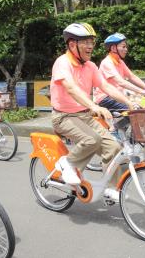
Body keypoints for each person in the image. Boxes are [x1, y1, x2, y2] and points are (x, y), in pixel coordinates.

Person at [50, 23, 135, 200]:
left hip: (84, 116)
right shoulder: (62, 63)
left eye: (92, 42)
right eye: (85, 42)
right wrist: (94, 106)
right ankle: (67, 163)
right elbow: (71, 88)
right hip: (63, 116)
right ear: (72, 45)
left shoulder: (90, 66)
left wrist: (128, 102)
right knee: (92, 140)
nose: (90, 46)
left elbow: (105, 86)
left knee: (113, 147)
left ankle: (111, 189)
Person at [93, 33, 145, 111]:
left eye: (126, 47)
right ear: (114, 48)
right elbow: (121, 82)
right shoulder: (107, 63)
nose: (126, 49)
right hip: (105, 98)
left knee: (144, 103)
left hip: (118, 96)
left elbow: (132, 77)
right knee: (136, 109)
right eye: (123, 47)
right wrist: (142, 92)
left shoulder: (120, 62)